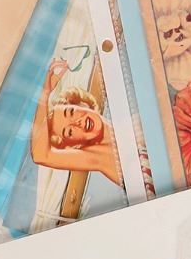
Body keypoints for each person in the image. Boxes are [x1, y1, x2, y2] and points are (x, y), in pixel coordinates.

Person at [30, 58, 124, 187]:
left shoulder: (131, 121)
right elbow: (40, 156)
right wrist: (45, 94)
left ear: (83, 103)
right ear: (74, 144)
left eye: (71, 112)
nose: (77, 123)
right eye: (69, 131)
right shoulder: (96, 157)